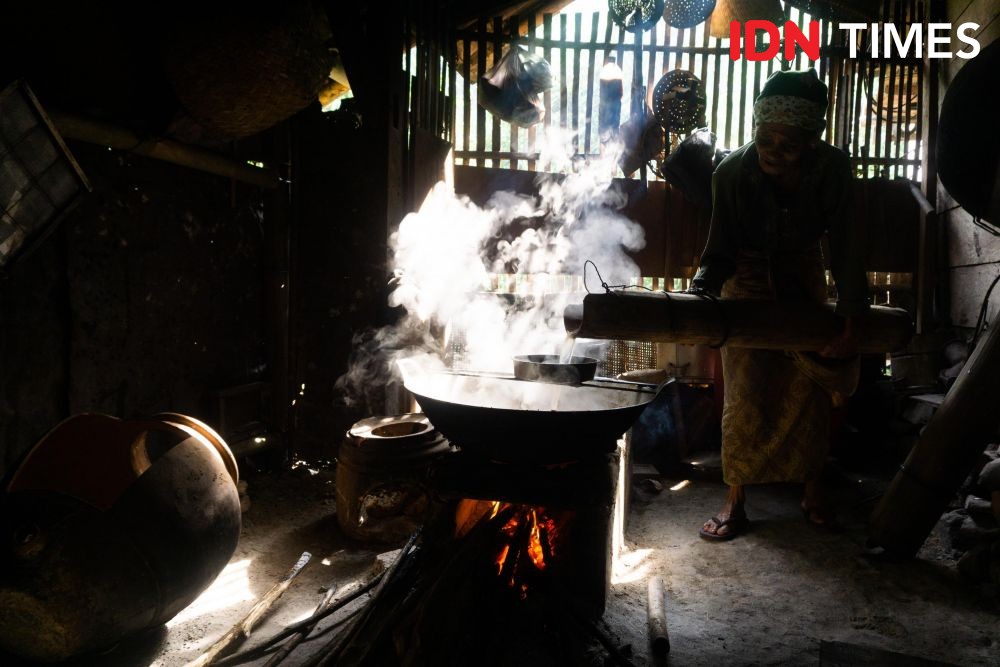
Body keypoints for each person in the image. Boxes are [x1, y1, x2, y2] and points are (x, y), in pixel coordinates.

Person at [689, 69, 869, 540]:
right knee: (745, 395)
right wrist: (703, 291)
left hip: (803, 274)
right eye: (764, 137)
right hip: (745, 277)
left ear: (812, 141)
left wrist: (849, 319)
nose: (772, 150)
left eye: (787, 143)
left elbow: (848, 245)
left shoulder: (831, 169)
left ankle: (813, 489)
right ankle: (735, 499)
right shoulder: (731, 172)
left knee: (806, 389)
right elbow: (720, 246)